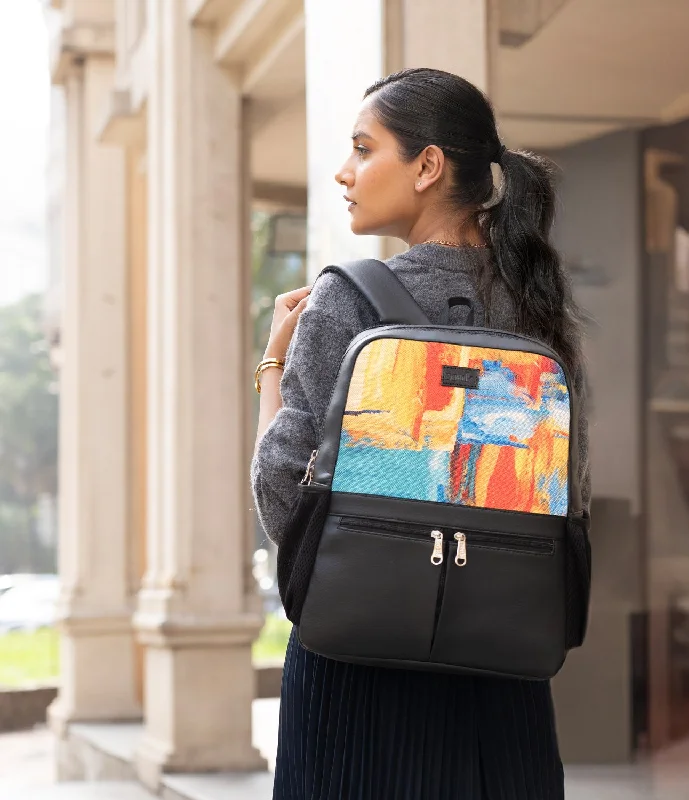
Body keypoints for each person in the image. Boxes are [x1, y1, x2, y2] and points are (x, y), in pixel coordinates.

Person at [251, 67, 590, 800]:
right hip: (502, 665)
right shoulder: (533, 303)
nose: (345, 172)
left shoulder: (345, 300)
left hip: (356, 661)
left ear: (428, 166)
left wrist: (273, 361)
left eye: (364, 149)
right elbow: (566, 494)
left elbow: (284, 498)